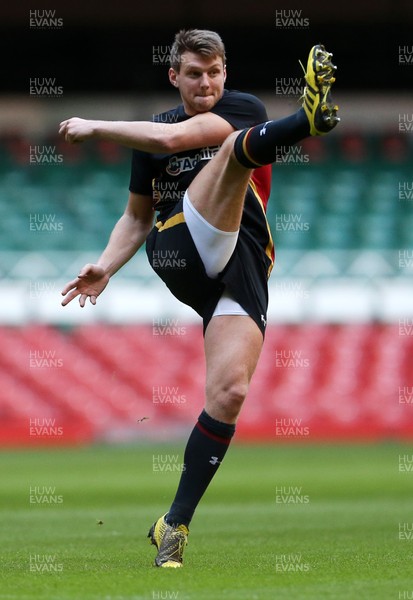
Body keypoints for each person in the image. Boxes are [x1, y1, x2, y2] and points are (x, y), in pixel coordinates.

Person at [59, 29, 339, 568]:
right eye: (194, 73)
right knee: (236, 149)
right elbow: (137, 215)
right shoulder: (156, 130)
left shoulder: (242, 105)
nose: (206, 82)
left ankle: (174, 522)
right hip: (179, 249)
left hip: (243, 264)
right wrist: (106, 266)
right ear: (175, 77)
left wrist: (98, 127)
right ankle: (309, 121)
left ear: (225, 73)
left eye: (213, 72)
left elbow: (169, 143)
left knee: (230, 393)